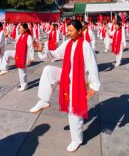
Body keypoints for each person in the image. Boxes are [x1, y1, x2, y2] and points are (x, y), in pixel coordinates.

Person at [30, 20, 100, 152]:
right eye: (67, 30)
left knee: (74, 112)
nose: (67, 33)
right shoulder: (68, 43)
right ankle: (44, 100)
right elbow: (55, 54)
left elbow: (92, 66)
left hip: (78, 82)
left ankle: (77, 139)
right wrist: (42, 50)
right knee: (48, 70)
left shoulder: (85, 45)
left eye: (71, 31)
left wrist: (93, 86)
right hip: (66, 75)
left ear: (79, 31)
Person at [0, 23, 34, 92]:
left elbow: (31, 47)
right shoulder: (20, 36)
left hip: (23, 56)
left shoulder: (28, 37)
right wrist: (7, 36)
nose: (19, 29)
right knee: (7, 53)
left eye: (20, 28)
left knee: (22, 72)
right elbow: (14, 41)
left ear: (25, 29)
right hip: (17, 53)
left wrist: (31, 58)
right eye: (19, 28)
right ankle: (4, 68)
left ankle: (24, 85)